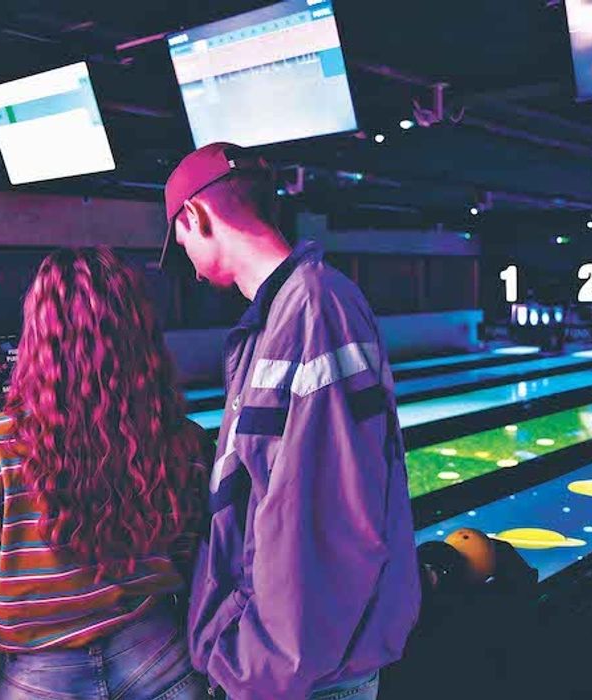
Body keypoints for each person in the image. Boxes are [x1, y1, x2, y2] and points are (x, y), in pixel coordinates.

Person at [161, 143, 421, 700]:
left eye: (179, 240)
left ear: (194, 217)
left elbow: (320, 521)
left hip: (301, 672)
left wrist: (252, 661)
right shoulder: (281, 315)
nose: (184, 256)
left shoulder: (314, 310)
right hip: (291, 663)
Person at [0, 248, 209, 700]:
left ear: (37, 338)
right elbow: (190, 562)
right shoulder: (181, 439)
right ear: (142, 335)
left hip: (40, 678)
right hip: (160, 658)